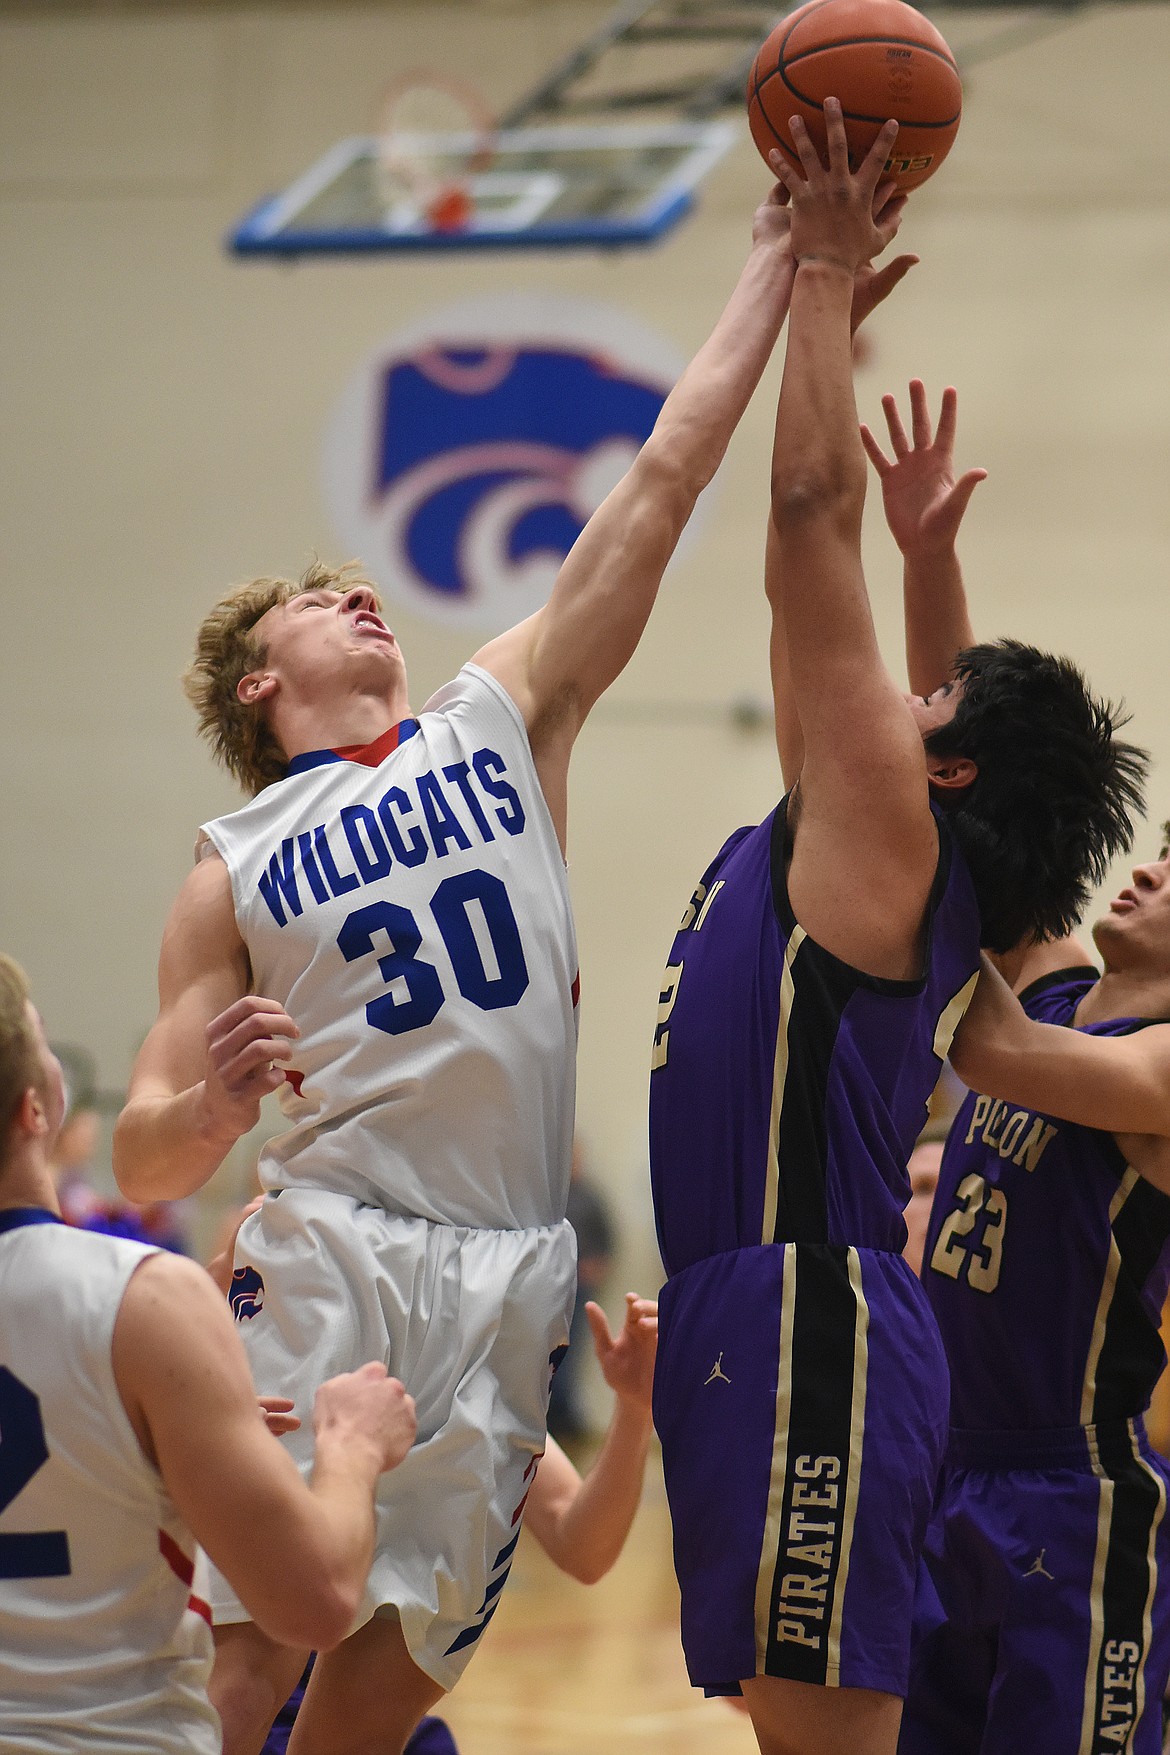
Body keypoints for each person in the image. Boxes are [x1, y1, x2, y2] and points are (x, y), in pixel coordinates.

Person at [113, 177, 886, 1755]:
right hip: (334, 1235)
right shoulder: (233, 855)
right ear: (262, 678)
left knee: (384, 1702)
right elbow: (141, 1143)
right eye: (317, 598)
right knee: (258, 1668)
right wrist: (210, 1106)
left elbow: (662, 480)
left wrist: (769, 260)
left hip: (513, 1267)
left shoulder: (495, 713)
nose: (356, 592)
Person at [647, 105, 1146, 1755]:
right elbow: (835, 623)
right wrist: (918, 533)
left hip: (826, 1320)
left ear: (939, 767)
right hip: (758, 1303)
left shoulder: (900, 861)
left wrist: (822, 282)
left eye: (923, 701)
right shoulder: (875, 842)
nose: (892, 696)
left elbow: (804, 523)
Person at [859, 386, 1170, 1752]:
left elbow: (986, 1040)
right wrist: (926, 560)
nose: (1147, 862)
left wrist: (933, 850)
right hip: (951, 1478)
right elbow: (976, 790)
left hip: (1072, 1492)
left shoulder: (1148, 1064)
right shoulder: (1061, 991)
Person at [0, 953, 417, 1754]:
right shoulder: (144, 1297)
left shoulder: (145, 1302)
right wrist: (351, 1447)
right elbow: (316, 1598)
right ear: (36, 1107)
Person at [254, 1288, 659, 1755]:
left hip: (352, 1699)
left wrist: (634, 1410)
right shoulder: (244, 1338)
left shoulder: (457, 1396)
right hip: (230, 1688)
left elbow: (581, 1547)